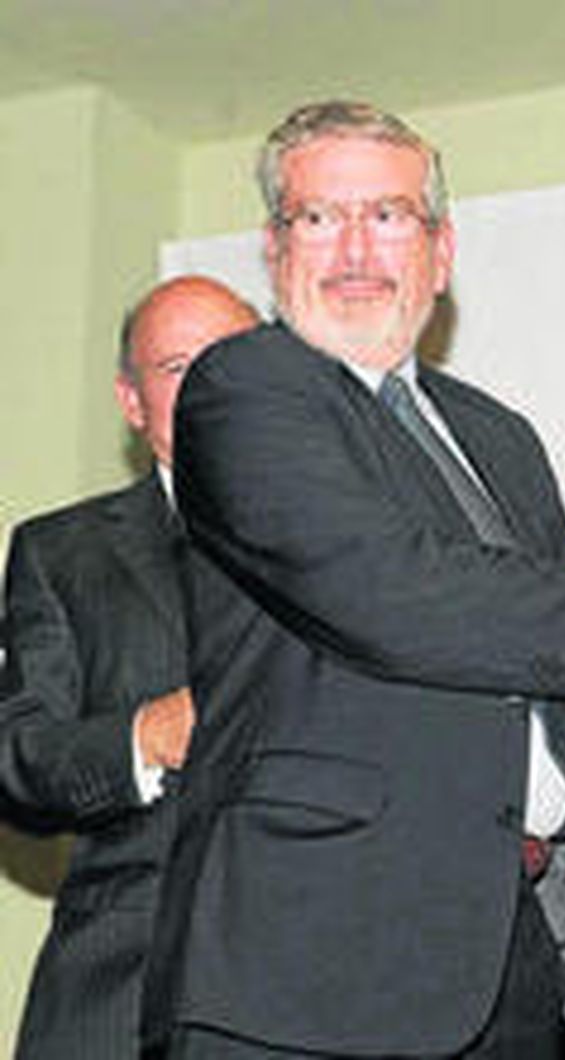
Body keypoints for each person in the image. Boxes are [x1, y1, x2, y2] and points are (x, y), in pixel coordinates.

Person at [139, 100, 565, 1059]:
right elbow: (382, 589)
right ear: (274, 250)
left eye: (390, 216)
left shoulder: (496, 434)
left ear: (441, 253)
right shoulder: (244, 389)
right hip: (307, 969)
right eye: (321, 217)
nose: (356, 250)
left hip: (501, 965)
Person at [0, 276, 259, 1058]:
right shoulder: (63, 555)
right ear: (131, 400)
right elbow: (18, 756)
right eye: (180, 366)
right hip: (125, 995)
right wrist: (143, 737)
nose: (212, 383)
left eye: (232, 358)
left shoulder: (362, 545)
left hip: (333, 986)